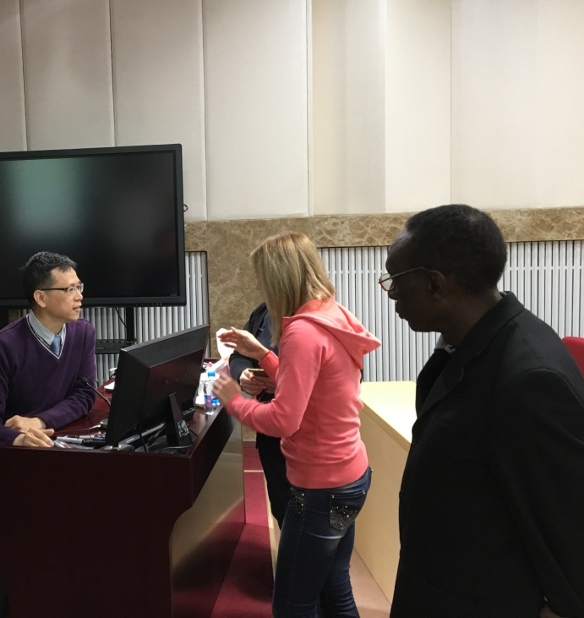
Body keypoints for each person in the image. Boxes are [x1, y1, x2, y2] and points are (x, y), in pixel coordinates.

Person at [383, 204, 584, 618]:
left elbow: (568, 522)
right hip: (442, 586)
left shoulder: (530, 376)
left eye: (396, 280)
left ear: (435, 284)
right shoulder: (466, 344)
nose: (391, 293)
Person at [214, 231, 380, 618]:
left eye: (262, 278)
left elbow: (284, 420)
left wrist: (233, 401)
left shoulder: (301, 332)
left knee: (291, 603)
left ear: (279, 279)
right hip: (349, 476)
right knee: (333, 586)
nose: (258, 286)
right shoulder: (331, 315)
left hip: (319, 488)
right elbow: (315, 388)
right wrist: (261, 354)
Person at [0, 251, 97, 618]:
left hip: (52, 444)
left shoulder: (83, 332)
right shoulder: (3, 347)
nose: (79, 295)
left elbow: (85, 394)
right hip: (4, 459)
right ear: (40, 297)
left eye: (79, 286)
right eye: (69, 289)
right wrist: (17, 438)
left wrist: (39, 422)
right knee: (26, 515)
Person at [227, 302, 290, 524]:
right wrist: (243, 374)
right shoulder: (263, 312)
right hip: (270, 432)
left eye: (262, 278)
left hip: (306, 437)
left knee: (304, 525)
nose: (256, 285)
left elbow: (344, 382)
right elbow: (237, 356)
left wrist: (283, 384)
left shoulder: (314, 321)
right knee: (282, 508)